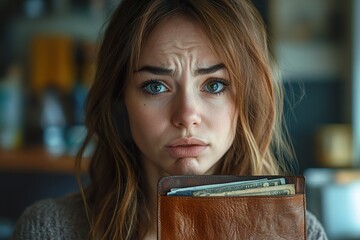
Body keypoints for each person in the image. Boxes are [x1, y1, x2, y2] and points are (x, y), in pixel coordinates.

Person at [12, 0, 328, 239]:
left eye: (214, 85)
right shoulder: (50, 230)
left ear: (247, 99)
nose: (187, 116)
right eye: (156, 86)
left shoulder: (301, 233)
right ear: (120, 100)